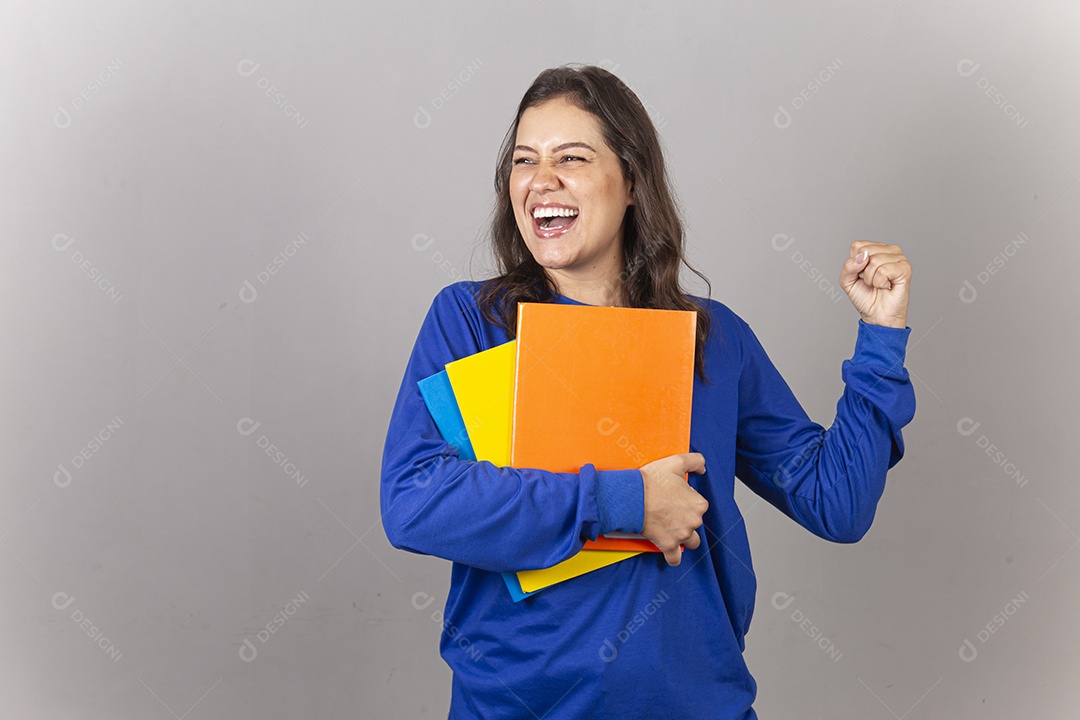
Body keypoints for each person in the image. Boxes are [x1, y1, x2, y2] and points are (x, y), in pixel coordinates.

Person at [380, 64, 915, 719]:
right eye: (524, 161)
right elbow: (414, 501)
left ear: (631, 180)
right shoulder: (472, 322)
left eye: (571, 157)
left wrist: (881, 337)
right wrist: (626, 500)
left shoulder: (713, 340)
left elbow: (837, 502)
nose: (541, 180)